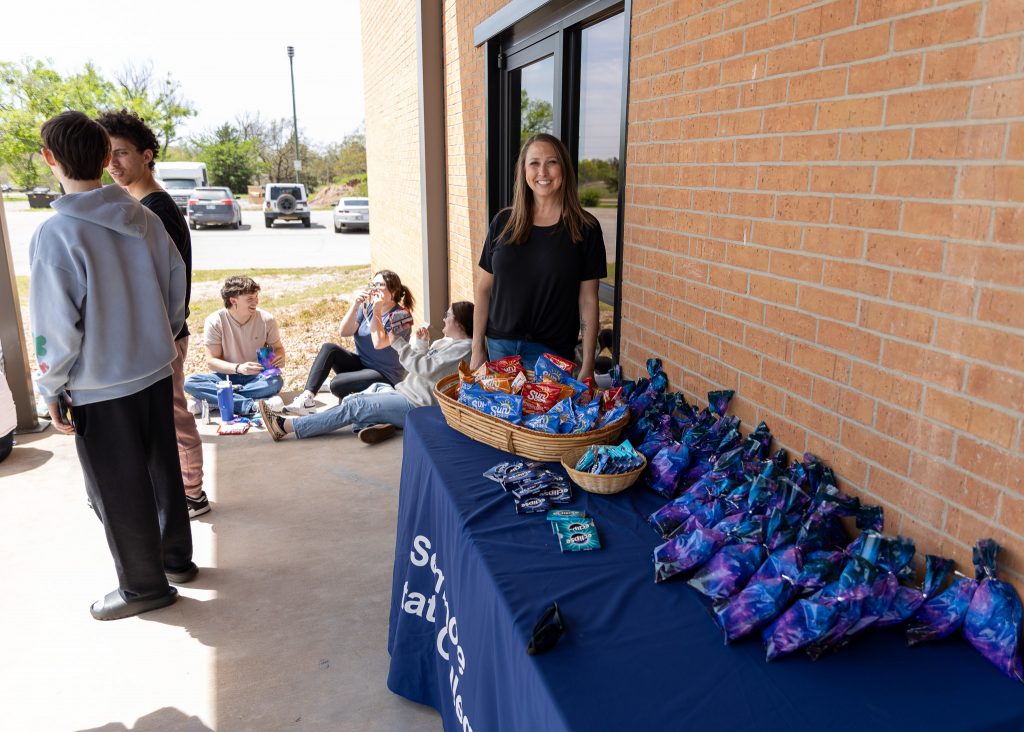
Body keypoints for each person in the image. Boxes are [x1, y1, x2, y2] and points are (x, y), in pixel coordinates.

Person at [29, 111, 193, 620]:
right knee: (161, 468)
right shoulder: (143, 217)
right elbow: (175, 291)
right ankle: (175, 559)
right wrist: (154, 338)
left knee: (116, 487)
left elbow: (56, 329)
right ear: (106, 158)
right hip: (153, 369)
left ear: (49, 159)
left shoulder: (57, 234)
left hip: (99, 385)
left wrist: (51, 387)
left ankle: (145, 587)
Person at [96, 109, 208, 520]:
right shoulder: (139, 204)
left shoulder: (156, 208)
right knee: (165, 416)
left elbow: (159, 288)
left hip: (165, 334)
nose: (113, 164)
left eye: (122, 153)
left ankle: (193, 493)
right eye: (107, 155)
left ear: (147, 155)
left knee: (175, 415)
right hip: (158, 334)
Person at [472, 132, 607, 379]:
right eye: (534, 163)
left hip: (552, 354)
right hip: (499, 348)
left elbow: (588, 300)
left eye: (551, 162)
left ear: (563, 169)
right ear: (524, 172)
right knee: (500, 418)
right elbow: (483, 289)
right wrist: (477, 348)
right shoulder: (503, 222)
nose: (542, 172)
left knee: (544, 419)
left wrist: (588, 363)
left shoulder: (585, 228)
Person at [259, 302, 474, 443]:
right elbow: (423, 362)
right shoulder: (448, 341)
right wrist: (421, 342)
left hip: (417, 405)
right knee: (363, 393)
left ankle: (286, 426)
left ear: (459, 322)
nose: (444, 318)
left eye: (448, 315)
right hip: (405, 392)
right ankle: (380, 424)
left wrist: (399, 343)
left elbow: (425, 368)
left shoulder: (463, 349)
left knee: (355, 405)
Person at [285, 270, 414, 414]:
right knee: (329, 349)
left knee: (337, 384)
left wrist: (377, 310)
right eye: (373, 284)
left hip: (385, 374)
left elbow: (378, 343)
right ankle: (306, 399)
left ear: (394, 290)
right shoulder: (367, 308)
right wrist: (356, 304)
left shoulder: (402, 316)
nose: (375, 288)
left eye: (381, 285)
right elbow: (344, 332)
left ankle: (349, 390)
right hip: (362, 364)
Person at [183, 276, 286, 416]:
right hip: (225, 377)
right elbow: (211, 361)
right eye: (250, 299)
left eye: (256, 297)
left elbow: (278, 348)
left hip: (256, 377)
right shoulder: (215, 321)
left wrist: (279, 357)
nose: (256, 302)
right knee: (190, 382)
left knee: (275, 382)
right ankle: (249, 404)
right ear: (233, 301)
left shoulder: (267, 319)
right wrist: (239, 368)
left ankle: (217, 400)